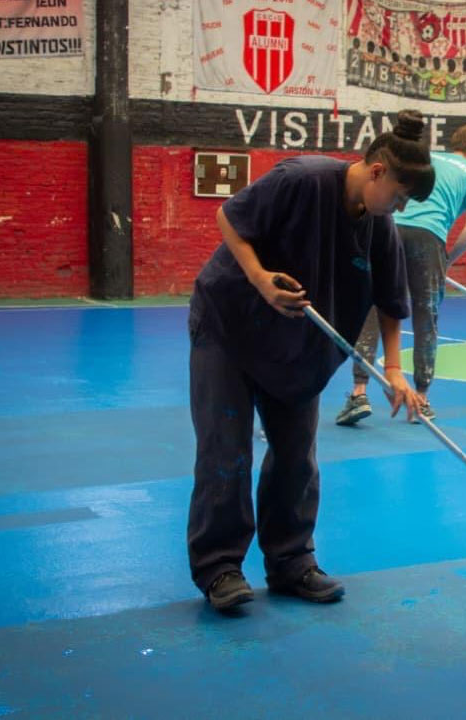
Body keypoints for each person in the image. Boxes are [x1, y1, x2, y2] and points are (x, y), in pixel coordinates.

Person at [186, 110, 435, 612]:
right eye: (400, 196)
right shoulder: (301, 179)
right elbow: (230, 217)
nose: (400, 207)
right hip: (231, 328)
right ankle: (220, 568)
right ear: (378, 172)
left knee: (297, 456)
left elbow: (391, 302)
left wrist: (392, 370)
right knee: (226, 451)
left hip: (299, 347)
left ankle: (291, 561)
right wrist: (260, 278)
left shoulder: (379, 226)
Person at [336, 124, 466, 426]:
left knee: (372, 306)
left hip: (388, 226)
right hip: (428, 238)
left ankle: (358, 393)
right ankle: (421, 398)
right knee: (425, 315)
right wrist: (447, 259)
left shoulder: (425, 160)